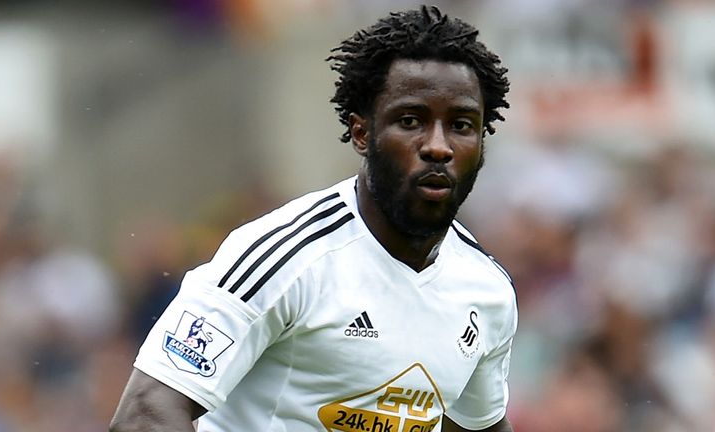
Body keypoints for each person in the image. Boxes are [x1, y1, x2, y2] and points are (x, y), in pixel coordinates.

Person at [110, 5, 517, 432]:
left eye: (461, 125)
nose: (438, 146)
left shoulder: (487, 290)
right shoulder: (287, 258)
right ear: (362, 133)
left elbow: (480, 427)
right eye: (411, 120)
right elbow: (146, 413)